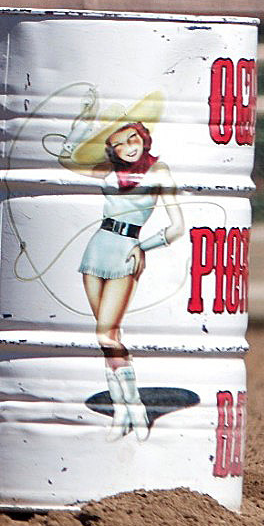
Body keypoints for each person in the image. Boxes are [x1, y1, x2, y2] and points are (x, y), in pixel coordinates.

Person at [74, 112, 185, 441]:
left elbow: (177, 227)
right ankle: (122, 411)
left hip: (126, 250)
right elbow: (70, 158)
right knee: (107, 338)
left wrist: (144, 247)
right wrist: (82, 124)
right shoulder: (109, 170)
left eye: (132, 139)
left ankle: (132, 405)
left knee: (106, 334)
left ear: (143, 137)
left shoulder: (158, 171)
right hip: (97, 249)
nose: (128, 148)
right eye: (119, 144)